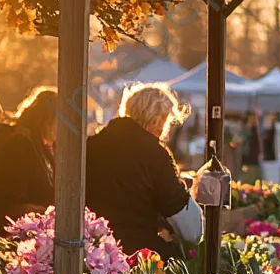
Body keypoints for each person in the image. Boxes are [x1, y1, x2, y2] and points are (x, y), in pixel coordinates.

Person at [85, 82, 203, 259]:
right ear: (157, 121)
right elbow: (192, 231)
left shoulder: (90, 145)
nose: (166, 134)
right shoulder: (155, 154)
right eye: (167, 124)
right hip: (137, 254)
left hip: (91, 250)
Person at [0, 86, 57, 235]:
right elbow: (12, 205)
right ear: (48, 120)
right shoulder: (20, 145)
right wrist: (52, 213)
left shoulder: (40, 146)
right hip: (7, 235)